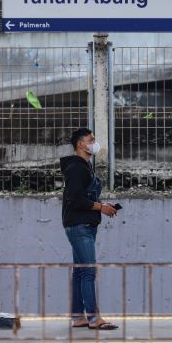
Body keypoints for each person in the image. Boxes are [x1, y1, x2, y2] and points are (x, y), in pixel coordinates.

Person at [60, 128, 119, 330]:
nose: (94, 142)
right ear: (80, 144)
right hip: (80, 225)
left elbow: (83, 197)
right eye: (90, 139)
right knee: (88, 272)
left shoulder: (84, 167)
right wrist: (100, 207)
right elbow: (75, 199)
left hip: (81, 224)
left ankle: (78, 317)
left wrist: (103, 205)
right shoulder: (77, 168)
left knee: (80, 272)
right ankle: (94, 318)